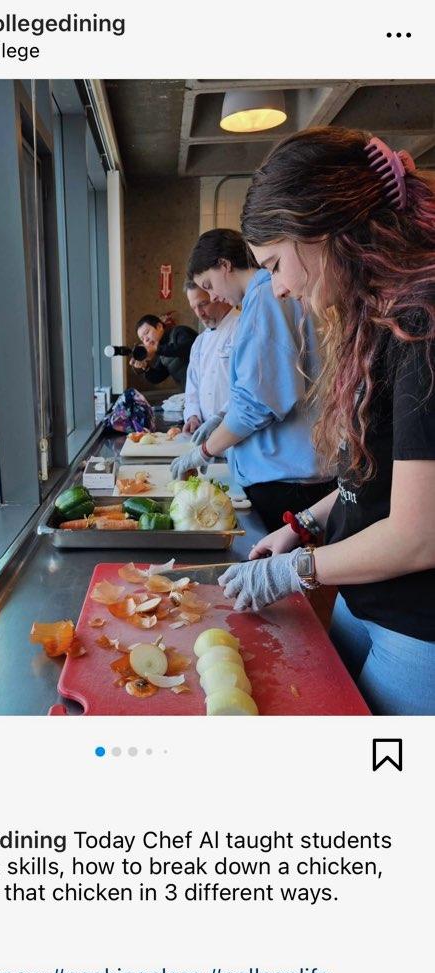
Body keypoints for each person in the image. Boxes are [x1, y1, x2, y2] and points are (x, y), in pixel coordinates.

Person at [218, 126, 435, 715]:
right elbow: (370, 482)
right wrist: (303, 526)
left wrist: (296, 571)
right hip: (363, 601)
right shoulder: (380, 317)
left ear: (321, 230)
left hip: (419, 628)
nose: (280, 288)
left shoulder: (424, 322)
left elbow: (419, 535)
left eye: (276, 264)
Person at [171, 229, 334, 532]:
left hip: (285, 477)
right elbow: (263, 382)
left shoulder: (265, 297)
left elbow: (258, 403)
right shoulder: (262, 300)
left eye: (209, 285)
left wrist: (206, 450)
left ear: (225, 265)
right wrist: (222, 416)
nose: (214, 296)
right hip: (289, 472)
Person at [183, 282, 239, 433]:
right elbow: (192, 386)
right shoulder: (199, 342)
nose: (199, 313)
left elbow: (247, 387)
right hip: (204, 433)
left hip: (236, 430)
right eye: (194, 307)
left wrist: (221, 417)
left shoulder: (242, 327)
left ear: (219, 296)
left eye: (203, 304)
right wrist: (192, 416)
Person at [131, 314, 197, 390]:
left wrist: (157, 349)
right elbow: (158, 377)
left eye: (146, 333)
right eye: (142, 339)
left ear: (159, 326)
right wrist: (145, 367)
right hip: (191, 393)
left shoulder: (179, 332)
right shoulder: (162, 351)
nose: (146, 340)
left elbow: (187, 349)